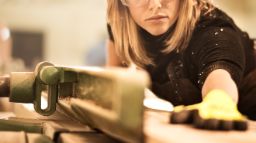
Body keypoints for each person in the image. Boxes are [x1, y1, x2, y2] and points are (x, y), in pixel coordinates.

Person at [106, 0, 256, 128]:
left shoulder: (212, 30)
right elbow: (113, 81)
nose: (155, 4)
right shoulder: (122, 26)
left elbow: (219, 76)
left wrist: (219, 100)